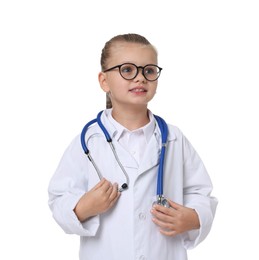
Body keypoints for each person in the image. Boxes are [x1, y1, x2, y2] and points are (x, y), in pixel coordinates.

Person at [48, 33, 218, 260]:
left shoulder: (174, 139)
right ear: (104, 81)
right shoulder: (89, 141)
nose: (140, 78)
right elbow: (59, 198)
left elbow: (199, 192)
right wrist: (82, 208)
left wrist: (194, 217)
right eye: (127, 70)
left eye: (148, 70)